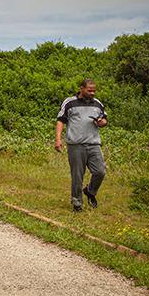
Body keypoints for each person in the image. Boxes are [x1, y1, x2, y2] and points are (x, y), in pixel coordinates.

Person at [55, 78, 107, 212]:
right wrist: (58, 139)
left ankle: (90, 191)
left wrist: (102, 122)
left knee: (100, 171)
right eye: (89, 90)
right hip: (76, 144)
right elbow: (61, 120)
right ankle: (77, 202)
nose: (92, 93)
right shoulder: (70, 102)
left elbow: (104, 119)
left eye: (94, 91)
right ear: (81, 89)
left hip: (94, 143)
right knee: (78, 175)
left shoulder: (97, 104)